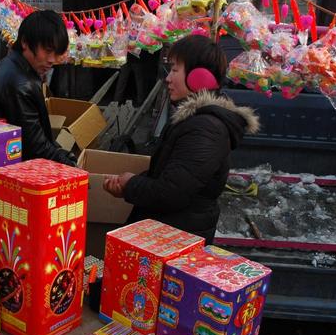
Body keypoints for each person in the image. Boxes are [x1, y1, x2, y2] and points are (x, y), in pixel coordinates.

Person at [103, 35, 259, 243]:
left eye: (175, 70)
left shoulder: (206, 130)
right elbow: (170, 174)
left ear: (200, 77)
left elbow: (171, 192)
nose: (168, 78)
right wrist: (131, 182)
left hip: (178, 240)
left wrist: (131, 185)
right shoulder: (194, 120)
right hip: (171, 233)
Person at [0, 10, 76, 166]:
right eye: (47, 50)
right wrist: (70, 165)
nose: (52, 60)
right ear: (25, 42)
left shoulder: (11, 66)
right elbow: (35, 148)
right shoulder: (20, 84)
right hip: (16, 170)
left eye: (56, 52)